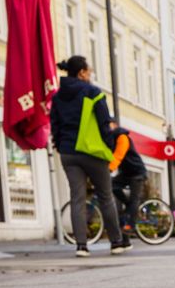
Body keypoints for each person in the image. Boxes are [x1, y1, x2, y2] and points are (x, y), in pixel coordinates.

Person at [49, 54, 128, 258]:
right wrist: (110, 147)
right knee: (105, 196)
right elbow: (105, 124)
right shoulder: (93, 93)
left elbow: (55, 126)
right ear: (82, 72)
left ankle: (81, 246)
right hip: (92, 151)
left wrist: (60, 146)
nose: (90, 75)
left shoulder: (57, 97)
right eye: (89, 71)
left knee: (77, 198)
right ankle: (116, 242)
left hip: (68, 152)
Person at [105, 126, 149, 242]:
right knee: (112, 184)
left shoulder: (122, 137)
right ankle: (130, 207)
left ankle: (130, 225)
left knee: (135, 199)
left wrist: (108, 169)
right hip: (126, 173)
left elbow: (118, 155)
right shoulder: (111, 140)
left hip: (137, 172)